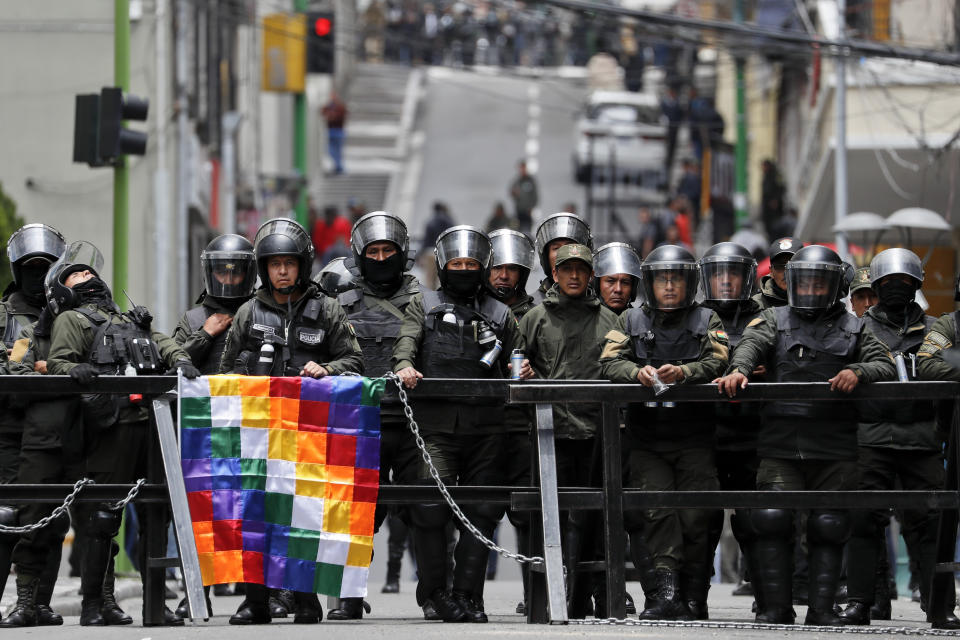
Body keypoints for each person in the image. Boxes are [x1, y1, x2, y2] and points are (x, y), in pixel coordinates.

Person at [716, 244, 896, 626]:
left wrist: (859, 372)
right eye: (806, 282)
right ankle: (776, 608)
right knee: (772, 518)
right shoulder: (772, 318)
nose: (812, 290)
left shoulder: (856, 325)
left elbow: (885, 362)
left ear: (834, 287)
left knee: (830, 523)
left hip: (834, 443)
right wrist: (739, 369)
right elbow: (749, 346)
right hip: (781, 439)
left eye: (820, 283)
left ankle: (822, 609)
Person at [45, 240, 200, 627]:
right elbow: (61, 361)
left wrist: (180, 359)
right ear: (66, 289)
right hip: (110, 427)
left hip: (150, 424)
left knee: (155, 515)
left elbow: (165, 345)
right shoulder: (73, 319)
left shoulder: (132, 320)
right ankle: (94, 604)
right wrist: (72, 371)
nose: (87, 275)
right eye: (77, 274)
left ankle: (155, 604)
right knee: (102, 517)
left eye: (89, 271)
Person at [219, 218, 363, 625]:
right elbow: (228, 371)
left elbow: (355, 361)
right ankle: (255, 601)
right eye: (274, 263)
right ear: (263, 268)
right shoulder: (248, 312)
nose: (282, 271)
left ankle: (305, 598)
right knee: (255, 514)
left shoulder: (329, 310)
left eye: (289, 263)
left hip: (310, 434)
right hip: (257, 434)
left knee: (305, 515)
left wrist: (327, 369)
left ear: (302, 265)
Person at [392, 225, 529, 623]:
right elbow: (407, 342)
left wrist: (523, 372)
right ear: (444, 266)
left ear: (483, 266)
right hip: (434, 425)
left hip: (488, 427)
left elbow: (517, 360)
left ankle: (469, 596)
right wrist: (403, 365)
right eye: (458, 263)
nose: (465, 269)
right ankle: (435, 594)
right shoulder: (424, 303)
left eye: (472, 263)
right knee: (429, 508)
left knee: (483, 508)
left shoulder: (501, 313)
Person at [600, 245, 729, 621]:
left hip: (695, 436)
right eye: (662, 279)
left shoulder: (707, 318)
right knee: (656, 513)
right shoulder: (631, 321)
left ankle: (693, 595)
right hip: (647, 438)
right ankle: (663, 593)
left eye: (676, 278)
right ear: (651, 284)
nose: (669, 286)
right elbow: (609, 362)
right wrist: (636, 374)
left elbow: (719, 358)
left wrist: (684, 374)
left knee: (696, 516)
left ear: (689, 282)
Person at [838, 249, 959, 629]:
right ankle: (861, 601)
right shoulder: (857, 328)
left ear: (917, 286)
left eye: (905, 282)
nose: (896, 288)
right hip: (870, 438)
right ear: (874, 286)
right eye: (887, 282)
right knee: (864, 521)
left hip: (922, 437)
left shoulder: (934, 329)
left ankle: (939, 604)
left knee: (930, 524)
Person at [326, 211, 420, 621]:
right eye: (374, 251)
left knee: (428, 511)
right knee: (358, 511)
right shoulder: (338, 305)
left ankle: (437, 595)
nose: (381, 258)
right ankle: (347, 594)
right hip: (360, 422)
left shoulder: (425, 301)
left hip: (413, 422)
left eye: (389, 251)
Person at [521, 243, 619, 617]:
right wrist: (524, 374)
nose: (574, 276)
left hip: (597, 434)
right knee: (549, 519)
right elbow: (515, 365)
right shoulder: (534, 318)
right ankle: (543, 602)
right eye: (567, 270)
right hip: (550, 433)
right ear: (555, 275)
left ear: (590, 275)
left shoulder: (610, 320)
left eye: (581, 270)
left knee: (595, 519)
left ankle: (592, 600)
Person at [169, 234, 257, 617]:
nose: (229, 276)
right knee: (202, 512)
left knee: (252, 511)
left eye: (236, 269)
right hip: (203, 431)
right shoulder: (191, 317)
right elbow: (169, 363)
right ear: (209, 271)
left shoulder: (262, 310)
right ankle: (196, 588)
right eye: (222, 268)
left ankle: (258, 596)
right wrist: (205, 334)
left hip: (253, 426)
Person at [0, 224, 67, 627]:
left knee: (54, 517)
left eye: (45, 267)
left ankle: (38, 602)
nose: (37, 275)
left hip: (55, 428)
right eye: (30, 267)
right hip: (9, 428)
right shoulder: (4, 315)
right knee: (8, 516)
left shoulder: (65, 313)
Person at [698, 243, 763, 602]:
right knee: (703, 519)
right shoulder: (694, 315)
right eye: (719, 274)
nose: (725, 281)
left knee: (755, 519)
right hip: (706, 433)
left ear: (747, 278)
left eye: (733, 274)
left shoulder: (765, 315)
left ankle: (764, 591)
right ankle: (696, 595)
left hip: (753, 434)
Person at [485, 229, 536, 614]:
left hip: (522, 424)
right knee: (479, 508)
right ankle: (467, 595)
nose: (503, 276)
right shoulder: (471, 308)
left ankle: (534, 593)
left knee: (526, 512)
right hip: (481, 422)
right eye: (497, 267)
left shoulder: (535, 314)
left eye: (511, 269)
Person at [532, 213, 592, 305]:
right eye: (556, 248)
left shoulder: (598, 308)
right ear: (546, 257)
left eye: (569, 246)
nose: (563, 253)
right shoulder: (532, 309)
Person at [753, 237, 803, 310]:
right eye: (780, 267)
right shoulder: (755, 307)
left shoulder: (817, 301)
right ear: (771, 272)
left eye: (793, 266)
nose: (786, 272)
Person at [593, 242, 642, 314]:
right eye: (610, 281)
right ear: (598, 284)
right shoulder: (586, 320)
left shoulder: (639, 322)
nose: (618, 289)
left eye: (625, 283)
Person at [321, 91, 348, 174]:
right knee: (330, 150)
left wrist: (332, 115)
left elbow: (340, 116)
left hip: (338, 131)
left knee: (337, 150)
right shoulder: (329, 106)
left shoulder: (340, 107)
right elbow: (323, 112)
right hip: (331, 131)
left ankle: (339, 167)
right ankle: (338, 166)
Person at [508, 160, 538, 234]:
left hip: (527, 210)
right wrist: (514, 193)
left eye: (523, 168)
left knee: (528, 230)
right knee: (518, 230)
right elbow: (511, 191)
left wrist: (532, 206)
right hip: (519, 210)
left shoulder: (530, 181)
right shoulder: (517, 181)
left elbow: (535, 195)